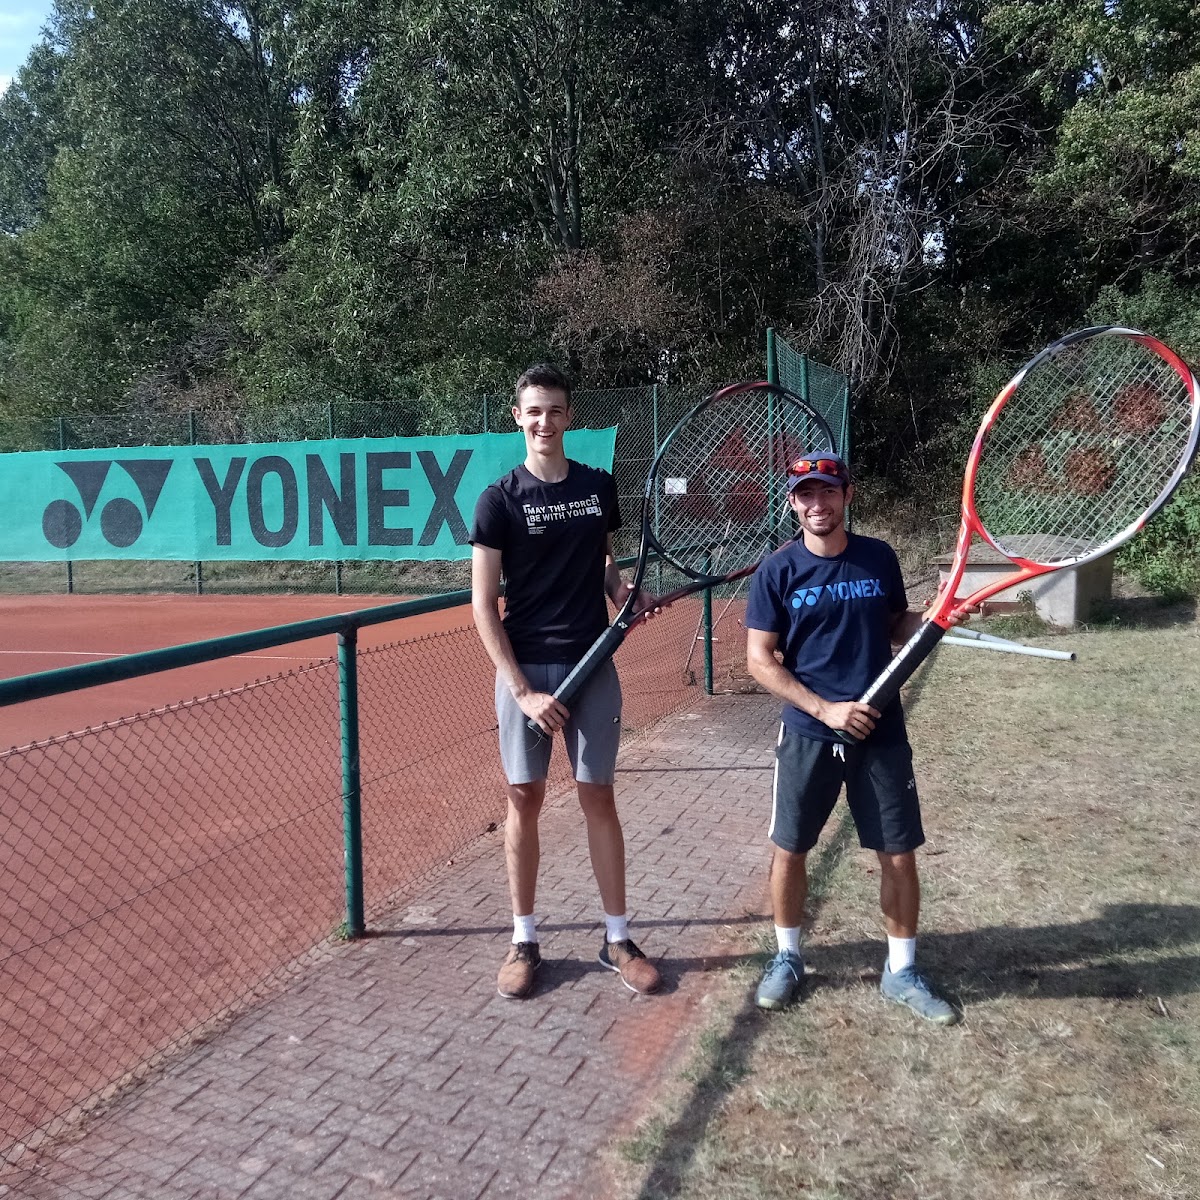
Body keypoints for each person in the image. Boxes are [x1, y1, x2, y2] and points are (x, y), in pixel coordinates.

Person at [744, 452, 970, 1024]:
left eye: (828, 491)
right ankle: (787, 958)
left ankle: (902, 971)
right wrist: (827, 710)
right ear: (792, 503)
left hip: (880, 729)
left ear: (847, 495)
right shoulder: (777, 571)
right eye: (805, 494)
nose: (817, 504)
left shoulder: (878, 557)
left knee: (897, 851)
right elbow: (759, 660)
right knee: (791, 849)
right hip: (809, 733)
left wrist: (935, 616)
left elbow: (896, 627)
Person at [470, 363, 663, 1000]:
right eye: (534, 411)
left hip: (592, 667)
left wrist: (622, 593)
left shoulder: (596, 486)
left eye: (554, 410)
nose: (544, 421)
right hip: (529, 671)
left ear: (569, 416)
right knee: (523, 799)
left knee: (598, 796)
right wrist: (522, 691)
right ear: (517, 418)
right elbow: (482, 606)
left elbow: (604, 566)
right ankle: (524, 940)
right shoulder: (498, 500)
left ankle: (617, 939)